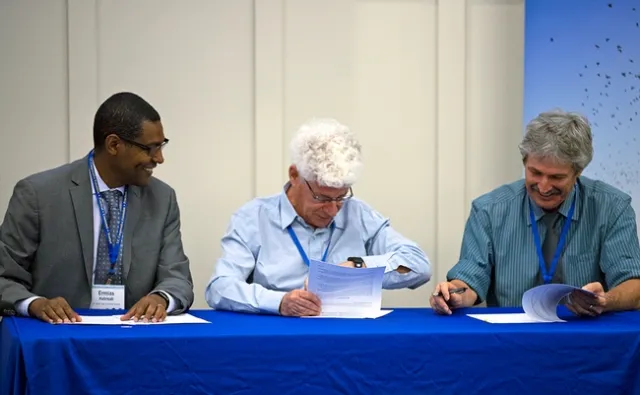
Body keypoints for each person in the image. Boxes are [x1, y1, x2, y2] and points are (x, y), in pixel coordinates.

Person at [0, 92, 194, 323]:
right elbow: (5, 278)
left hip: (133, 338)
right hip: (59, 338)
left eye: (161, 146)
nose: (159, 158)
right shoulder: (37, 194)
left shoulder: (162, 198)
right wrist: (35, 304)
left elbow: (178, 278)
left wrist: (161, 298)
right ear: (113, 144)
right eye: (150, 148)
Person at [205, 118, 431, 316]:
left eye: (341, 197)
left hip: (349, 340)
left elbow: (419, 265)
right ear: (294, 175)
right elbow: (219, 287)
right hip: (278, 338)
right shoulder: (254, 217)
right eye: (322, 198)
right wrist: (280, 302)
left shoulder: (358, 214)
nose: (333, 210)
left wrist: (359, 267)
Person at [430, 109, 640, 316]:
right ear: (524, 162)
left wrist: (605, 301)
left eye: (556, 177)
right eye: (535, 173)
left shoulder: (612, 207)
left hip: (587, 336)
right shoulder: (488, 210)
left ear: (578, 172)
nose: (544, 186)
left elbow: (633, 285)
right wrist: (454, 294)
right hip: (513, 340)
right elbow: (470, 277)